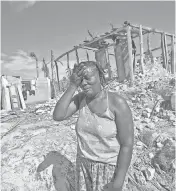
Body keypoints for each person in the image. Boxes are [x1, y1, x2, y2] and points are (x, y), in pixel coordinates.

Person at [53, 61, 134, 191]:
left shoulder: (117, 103)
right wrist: (73, 85)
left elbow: (127, 145)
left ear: (100, 78)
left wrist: (118, 182)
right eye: (81, 79)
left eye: (88, 78)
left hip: (108, 169)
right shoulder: (81, 100)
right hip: (83, 166)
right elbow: (58, 115)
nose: (84, 83)